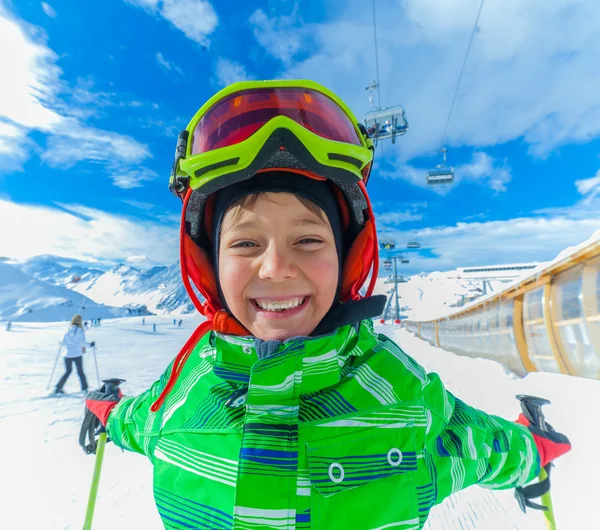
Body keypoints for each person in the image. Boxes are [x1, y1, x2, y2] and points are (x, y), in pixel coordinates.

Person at [85, 81, 570, 529]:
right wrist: (109, 411)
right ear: (208, 263)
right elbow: (136, 422)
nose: (275, 268)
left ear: (348, 258)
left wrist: (532, 450)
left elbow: (482, 448)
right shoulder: (182, 395)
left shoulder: (402, 395)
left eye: (309, 240)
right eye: (246, 244)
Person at [55, 314, 95, 395]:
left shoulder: (67, 330)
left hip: (67, 355)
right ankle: (84, 388)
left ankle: (58, 387)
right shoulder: (80, 331)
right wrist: (90, 345)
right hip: (77, 354)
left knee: (68, 371)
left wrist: (60, 342)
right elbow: (81, 343)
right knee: (80, 372)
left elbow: (62, 343)